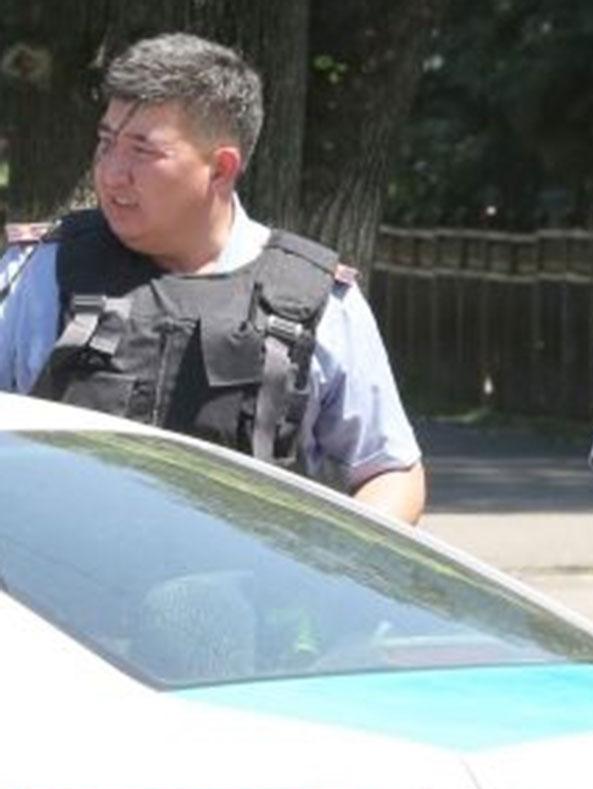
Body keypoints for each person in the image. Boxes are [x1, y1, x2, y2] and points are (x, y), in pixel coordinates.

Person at [0, 33, 424, 524]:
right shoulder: (41, 273)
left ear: (221, 168)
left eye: (142, 151)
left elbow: (392, 472)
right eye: (106, 142)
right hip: (54, 586)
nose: (112, 173)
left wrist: (334, 569)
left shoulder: (319, 301)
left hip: (240, 590)